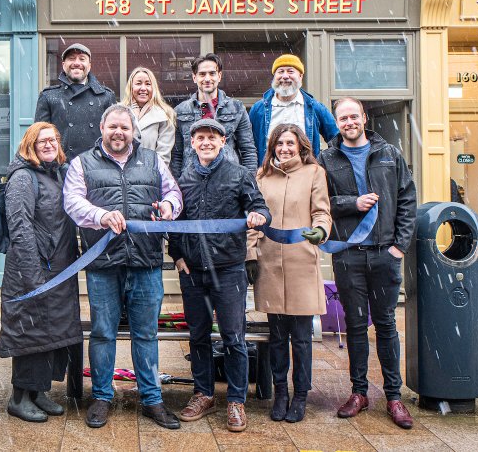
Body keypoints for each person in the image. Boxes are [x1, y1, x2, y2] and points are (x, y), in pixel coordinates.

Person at [63, 104, 184, 430]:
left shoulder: (153, 160)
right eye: (112, 127)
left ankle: (152, 399)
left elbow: (174, 192)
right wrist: (101, 216)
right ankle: (101, 396)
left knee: (146, 334)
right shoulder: (82, 163)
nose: (118, 133)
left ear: (133, 132)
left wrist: (168, 207)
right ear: (102, 129)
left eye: (124, 128)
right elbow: (72, 202)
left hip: (146, 263)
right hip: (103, 265)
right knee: (103, 333)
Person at [318, 97, 418, 430]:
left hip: (384, 254)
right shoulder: (327, 158)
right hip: (348, 254)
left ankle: (393, 396)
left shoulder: (389, 154)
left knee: (387, 325)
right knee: (356, 327)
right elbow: (321, 203)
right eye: (342, 118)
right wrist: (352, 203)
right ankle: (359, 393)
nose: (348, 122)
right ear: (336, 122)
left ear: (363, 117)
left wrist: (399, 248)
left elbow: (407, 200)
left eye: (352, 116)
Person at [169, 118, 270, 433]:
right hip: (193, 272)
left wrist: (257, 216)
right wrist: (178, 256)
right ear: (193, 142)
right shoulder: (182, 179)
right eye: (200, 137)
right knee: (197, 336)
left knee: (233, 337)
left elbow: (260, 209)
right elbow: (175, 221)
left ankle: (236, 399)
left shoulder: (239, 175)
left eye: (212, 137)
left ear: (223, 141)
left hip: (228, 270)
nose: (206, 142)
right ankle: (203, 393)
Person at [0, 122, 82, 423]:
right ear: (30, 145)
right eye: (42, 140)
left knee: (51, 332)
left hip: (57, 270)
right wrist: (32, 277)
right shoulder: (22, 178)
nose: (49, 145)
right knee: (28, 332)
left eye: (54, 140)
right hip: (30, 272)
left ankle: (39, 391)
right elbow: (20, 229)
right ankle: (19, 397)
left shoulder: (57, 174)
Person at [251, 123, 332, 423]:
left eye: (290, 143)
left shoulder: (314, 174)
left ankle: (301, 395)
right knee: (276, 335)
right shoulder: (262, 177)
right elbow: (254, 218)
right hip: (270, 261)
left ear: (300, 146)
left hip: (301, 260)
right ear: (272, 147)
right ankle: (280, 391)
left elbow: (322, 211)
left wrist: (321, 230)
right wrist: (250, 254)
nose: (285, 148)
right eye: (279, 144)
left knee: (301, 336)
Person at [170, 53, 258, 175]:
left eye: (212, 73)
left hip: (228, 179)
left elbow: (248, 150)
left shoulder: (237, 108)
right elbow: (177, 155)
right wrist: (177, 186)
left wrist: (249, 183)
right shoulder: (180, 111)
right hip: (191, 182)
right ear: (194, 77)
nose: (207, 79)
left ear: (219, 76)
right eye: (202, 74)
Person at [35, 42, 117, 160]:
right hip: (60, 168)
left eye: (82, 59)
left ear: (89, 66)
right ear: (64, 65)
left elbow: (113, 136)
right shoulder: (48, 96)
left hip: (97, 166)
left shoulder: (106, 96)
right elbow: (39, 138)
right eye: (71, 59)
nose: (77, 63)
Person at [248, 54, 339, 160]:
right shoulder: (258, 109)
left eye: (290, 71)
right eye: (280, 71)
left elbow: (336, 139)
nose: (285, 76)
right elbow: (248, 146)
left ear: (300, 76)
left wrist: (324, 165)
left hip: (306, 174)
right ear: (274, 77)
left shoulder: (315, 108)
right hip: (268, 174)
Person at [122, 66, 176, 167]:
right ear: (131, 87)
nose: (143, 88)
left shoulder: (165, 115)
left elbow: (163, 156)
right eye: (138, 83)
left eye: (148, 84)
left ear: (153, 88)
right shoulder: (119, 112)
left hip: (150, 175)